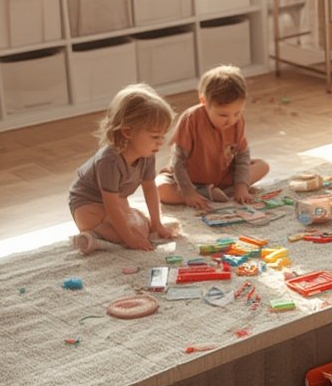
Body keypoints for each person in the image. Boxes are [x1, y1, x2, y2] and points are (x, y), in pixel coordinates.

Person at [69, 83, 176, 255]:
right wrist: (130, 240)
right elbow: (111, 206)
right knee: (125, 235)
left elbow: (150, 188)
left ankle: (111, 232)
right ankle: (92, 239)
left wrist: (157, 223)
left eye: (162, 136)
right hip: (87, 204)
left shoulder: (147, 153)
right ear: (128, 132)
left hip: (116, 200)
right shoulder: (109, 161)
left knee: (143, 227)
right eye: (155, 136)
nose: (160, 142)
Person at [157, 65, 268, 210]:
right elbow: (178, 161)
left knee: (263, 166)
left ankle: (225, 190)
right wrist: (188, 192)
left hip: (221, 177)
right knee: (160, 189)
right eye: (223, 115)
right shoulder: (191, 119)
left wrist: (241, 186)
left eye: (237, 113)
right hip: (189, 179)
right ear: (204, 101)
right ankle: (207, 193)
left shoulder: (237, 121)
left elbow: (242, 156)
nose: (231, 120)